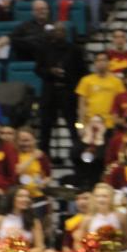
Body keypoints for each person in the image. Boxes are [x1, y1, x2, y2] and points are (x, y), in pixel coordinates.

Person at [35, 22, 86, 156]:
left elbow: (82, 72)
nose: (59, 33)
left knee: (73, 125)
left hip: (68, 92)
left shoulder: (75, 50)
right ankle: (44, 156)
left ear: (66, 33)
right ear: (53, 33)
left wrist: (70, 78)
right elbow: (38, 69)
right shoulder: (44, 49)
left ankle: (77, 155)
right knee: (45, 126)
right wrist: (50, 71)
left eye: (62, 31)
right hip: (50, 92)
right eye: (56, 31)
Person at [75, 52, 125, 130]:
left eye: (104, 60)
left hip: (110, 124)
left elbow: (121, 104)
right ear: (95, 63)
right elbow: (81, 105)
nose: (101, 63)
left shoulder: (117, 82)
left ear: (109, 63)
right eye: (98, 60)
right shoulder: (85, 80)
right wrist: (81, 124)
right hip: (90, 124)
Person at [14, 128, 51, 205]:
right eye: (22, 141)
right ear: (17, 141)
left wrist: (43, 183)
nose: (25, 144)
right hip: (19, 196)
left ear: (34, 141)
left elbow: (48, 176)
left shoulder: (41, 155)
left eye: (27, 140)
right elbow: (17, 171)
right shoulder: (13, 154)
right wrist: (32, 157)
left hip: (38, 197)